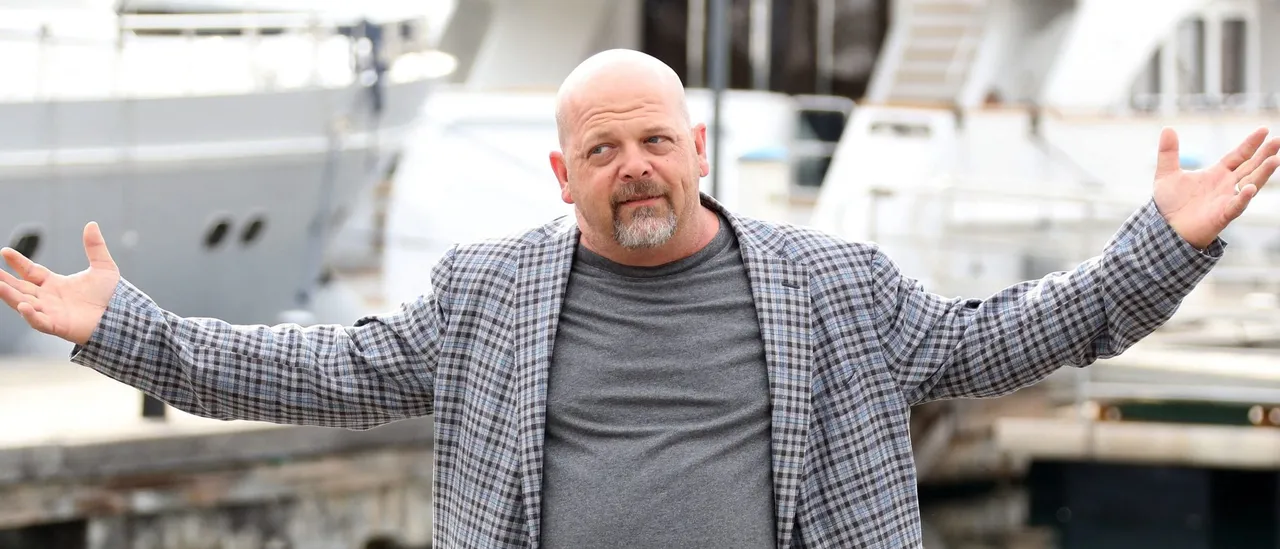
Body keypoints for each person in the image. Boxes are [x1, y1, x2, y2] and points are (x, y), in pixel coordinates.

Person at [1, 48, 1278, 548]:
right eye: (603, 150)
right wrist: (129, 333)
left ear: (696, 148)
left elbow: (1002, 340)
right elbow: (321, 373)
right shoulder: (487, 294)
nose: (635, 168)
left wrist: (1155, 248)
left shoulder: (829, 285)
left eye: (655, 140)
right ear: (564, 174)